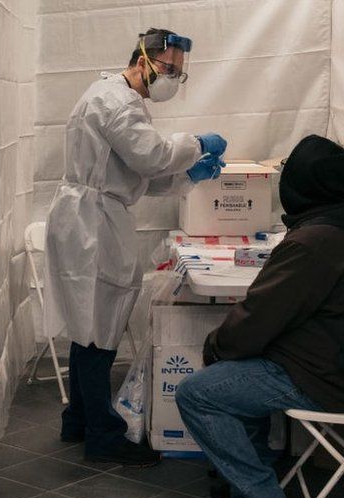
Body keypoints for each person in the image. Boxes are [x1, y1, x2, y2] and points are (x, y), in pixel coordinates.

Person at [175, 135, 344, 498]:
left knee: (198, 393)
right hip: (338, 365)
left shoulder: (312, 243)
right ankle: (252, 472)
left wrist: (216, 347)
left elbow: (258, 317)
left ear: (303, 186)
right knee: (235, 369)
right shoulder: (343, 225)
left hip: (321, 378)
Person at [42, 27, 227, 466]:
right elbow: (151, 157)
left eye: (179, 75)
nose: (171, 80)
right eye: (168, 70)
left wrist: (189, 177)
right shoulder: (116, 101)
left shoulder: (115, 98)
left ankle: (79, 419)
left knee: (90, 324)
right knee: (98, 327)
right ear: (143, 60)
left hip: (93, 216)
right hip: (91, 224)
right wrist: (198, 144)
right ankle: (102, 437)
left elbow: (141, 172)